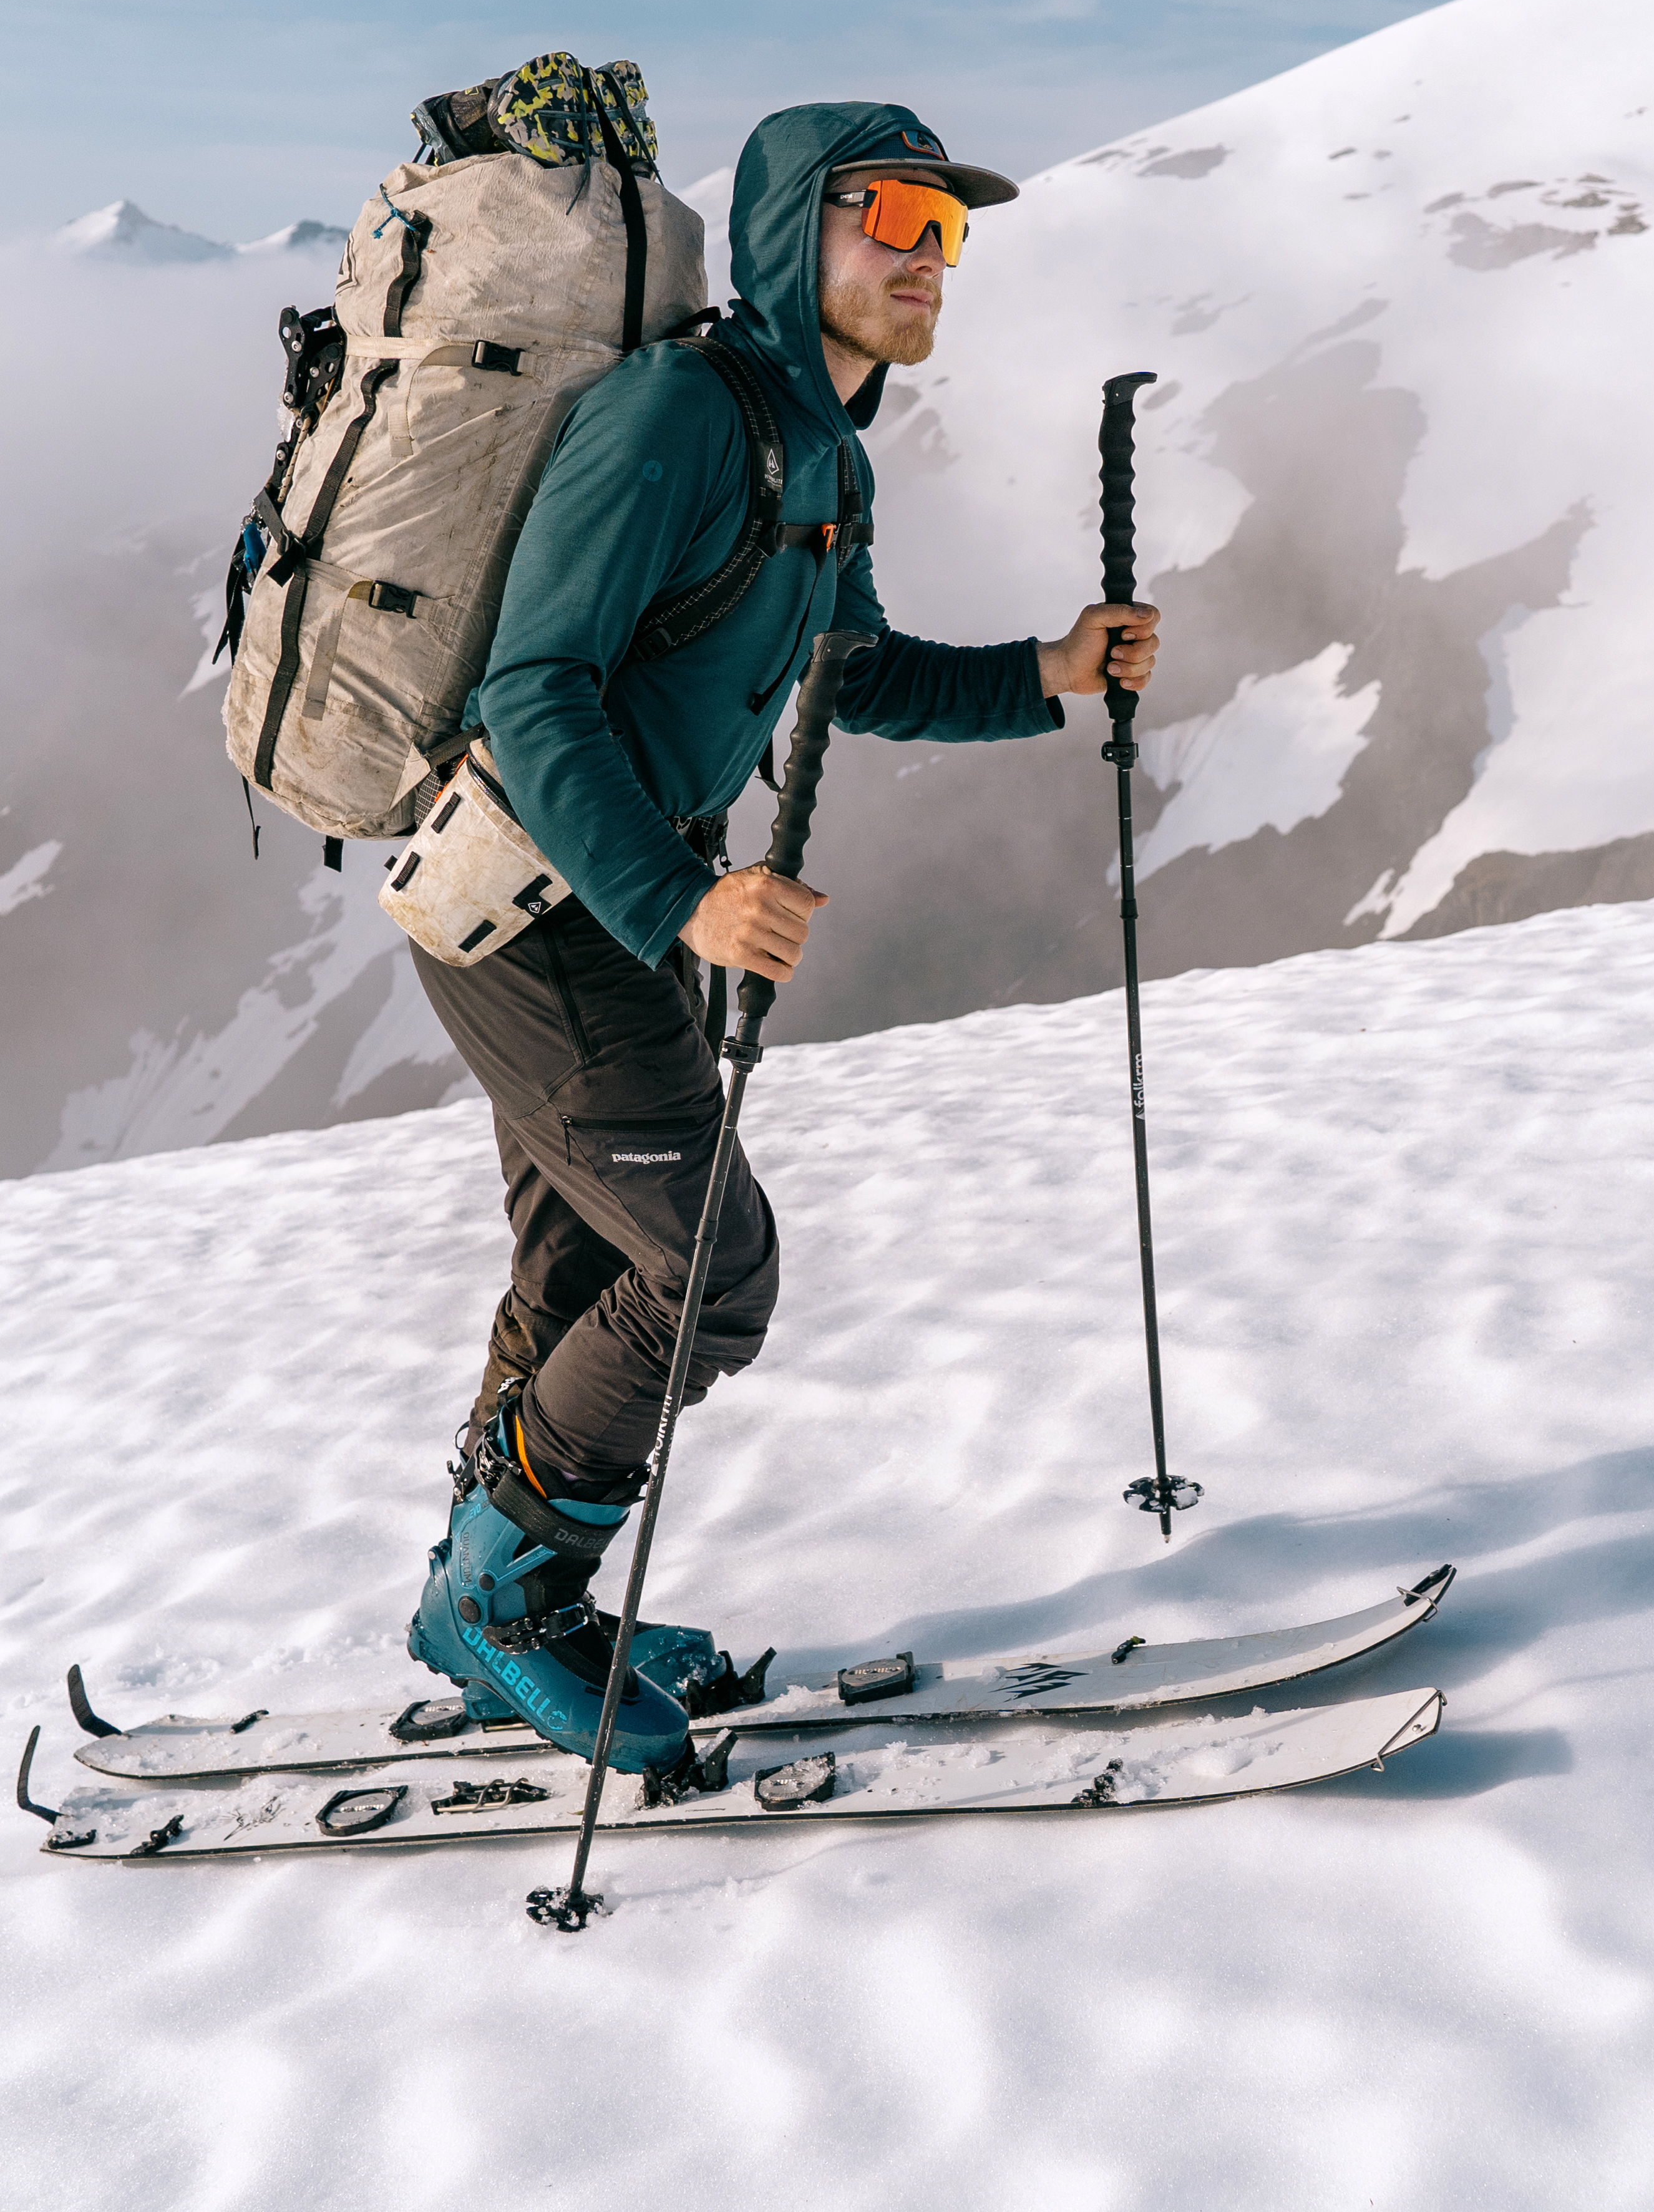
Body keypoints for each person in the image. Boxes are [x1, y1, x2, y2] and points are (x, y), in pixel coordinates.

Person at [404, 101, 1162, 1775]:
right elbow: (534, 692)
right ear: (786, 235)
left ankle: (503, 1600)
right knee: (707, 1270)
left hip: (623, 897)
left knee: (592, 1265)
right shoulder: (679, 414)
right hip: (531, 909)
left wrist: (1048, 670)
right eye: (890, 217)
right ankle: (504, 1606)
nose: (927, 258)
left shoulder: (826, 453)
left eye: (948, 230)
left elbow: (855, 672)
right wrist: (685, 901)